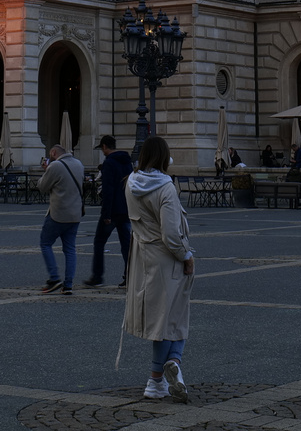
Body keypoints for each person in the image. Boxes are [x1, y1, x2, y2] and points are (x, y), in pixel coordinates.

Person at [123, 135, 195, 403]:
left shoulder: (130, 183)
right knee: (170, 318)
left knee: (160, 318)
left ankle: (168, 369)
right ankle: (157, 379)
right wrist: (185, 255)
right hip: (166, 259)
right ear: (164, 157)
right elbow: (172, 235)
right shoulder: (166, 188)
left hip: (142, 257)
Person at [84, 135, 133, 289]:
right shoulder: (127, 162)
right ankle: (130, 275)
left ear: (105, 146)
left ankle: (97, 276)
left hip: (112, 210)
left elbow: (108, 189)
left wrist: (106, 214)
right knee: (126, 245)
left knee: (99, 242)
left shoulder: (109, 163)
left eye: (102, 148)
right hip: (125, 208)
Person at [36, 143, 86, 294]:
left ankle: (54, 278)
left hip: (58, 214)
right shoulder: (79, 164)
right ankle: (68, 285)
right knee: (70, 249)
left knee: (45, 243)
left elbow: (42, 187)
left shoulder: (55, 166)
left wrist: (46, 171)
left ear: (53, 152)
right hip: (75, 214)